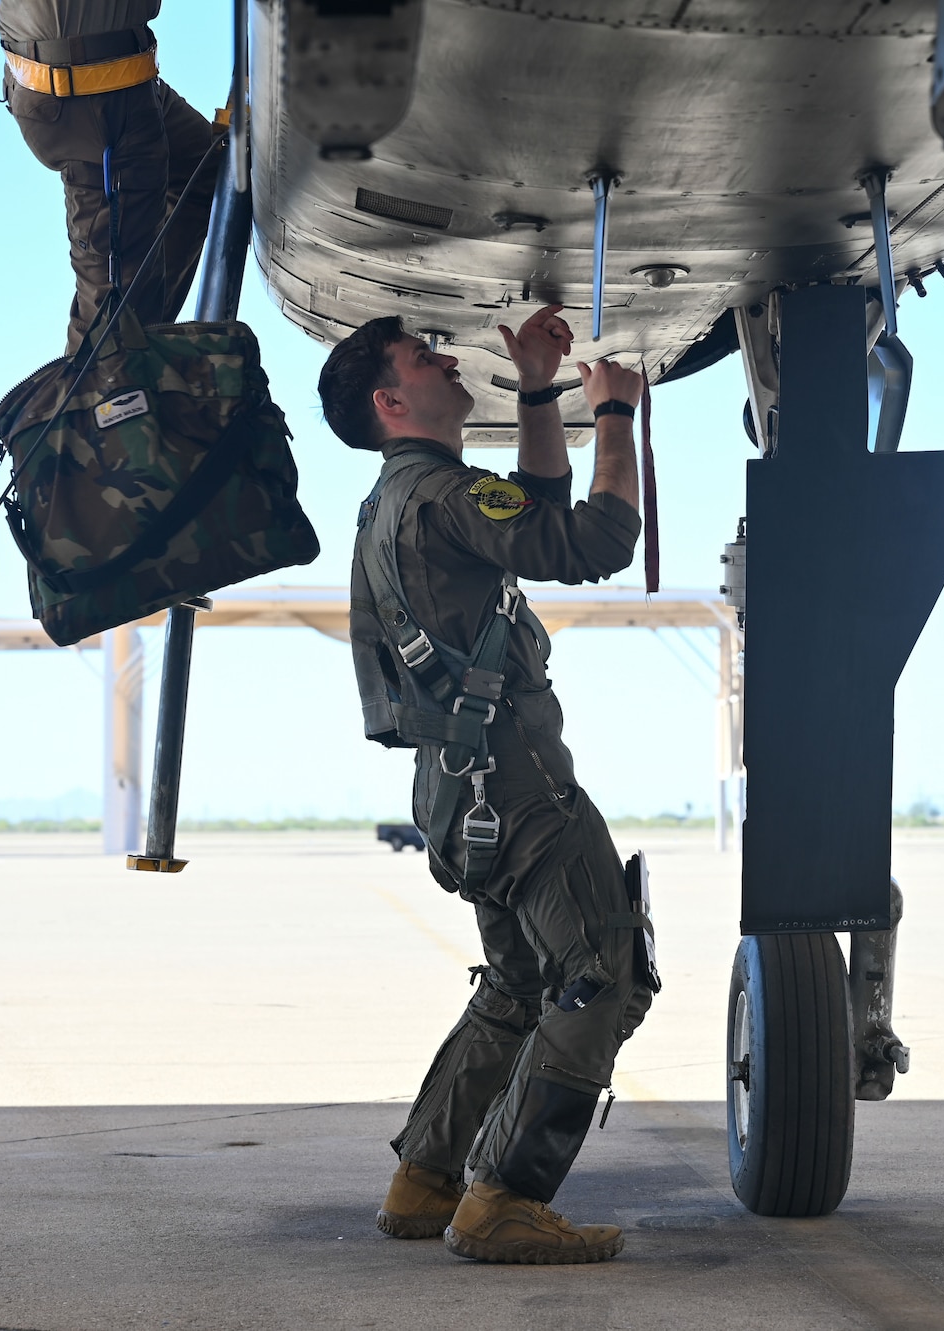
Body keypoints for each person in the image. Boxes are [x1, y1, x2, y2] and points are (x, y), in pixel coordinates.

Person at [319, 307, 657, 1264]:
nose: (447, 360)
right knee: (600, 975)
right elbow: (590, 542)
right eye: (424, 359)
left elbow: (531, 516)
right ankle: (503, 1196)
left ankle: (426, 1177)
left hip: (456, 788)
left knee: (517, 982)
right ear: (392, 401)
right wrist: (616, 417)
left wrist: (542, 390)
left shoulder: (400, 498)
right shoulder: (444, 494)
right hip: (521, 786)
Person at [0, 2, 217, 353]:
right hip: (92, 101)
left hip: (123, 80)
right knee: (113, 310)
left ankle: (144, 341)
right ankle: (105, 382)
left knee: (206, 167)